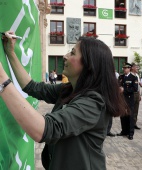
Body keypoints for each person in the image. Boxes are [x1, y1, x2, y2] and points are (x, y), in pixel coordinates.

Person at [1, 31, 128, 170]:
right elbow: (32, 87)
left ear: (89, 65)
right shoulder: (70, 89)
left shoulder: (94, 103)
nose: (65, 56)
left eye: (72, 53)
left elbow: (43, 129)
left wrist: (2, 80)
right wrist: (10, 52)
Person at [117, 63, 138, 140]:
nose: (124, 69)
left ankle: (130, 133)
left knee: (130, 116)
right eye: (124, 68)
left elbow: (135, 89)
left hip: (129, 99)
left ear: (129, 69)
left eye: (126, 68)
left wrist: (124, 90)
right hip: (122, 99)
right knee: (123, 115)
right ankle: (124, 131)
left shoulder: (133, 77)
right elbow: (117, 84)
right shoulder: (121, 77)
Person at [106, 70, 120, 137]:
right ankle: (104, 130)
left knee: (110, 116)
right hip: (105, 99)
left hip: (111, 99)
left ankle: (108, 131)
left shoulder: (113, 80)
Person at [131, 62, 141, 130]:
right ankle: (130, 123)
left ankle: (134, 123)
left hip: (137, 93)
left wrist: (140, 95)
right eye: (136, 67)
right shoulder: (130, 75)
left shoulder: (137, 75)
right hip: (132, 94)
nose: (137, 68)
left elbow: (139, 86)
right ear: (132, 68)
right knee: (131, 109)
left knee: (136, 109)